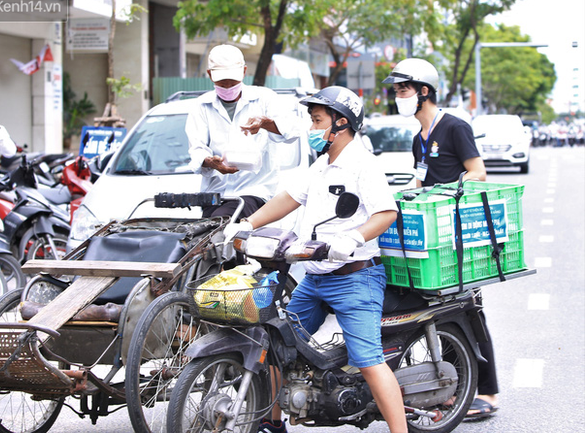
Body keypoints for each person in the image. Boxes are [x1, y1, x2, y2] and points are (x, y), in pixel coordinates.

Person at [226, 86, 408, 433]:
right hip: (315, 276)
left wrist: (352, 237)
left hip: (355, 277)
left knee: (368, 361)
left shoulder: (362, 164)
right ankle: (271, 423)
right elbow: (288, 198)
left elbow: (386, 213)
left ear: (341, 123)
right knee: (277, 346)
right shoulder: (322, 164)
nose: (311, 128)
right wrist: (247, 223)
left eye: (317, 121)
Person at [383, 58, 498, 419]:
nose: (398, 96)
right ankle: (452, 389)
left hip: (455, 235)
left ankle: (490, 393)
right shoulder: (420, 137)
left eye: (403, 90)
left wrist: (443, 193)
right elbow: (420, 179)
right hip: (431, 238)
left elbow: (477, 173)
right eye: (397, 91)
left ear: (424, 91)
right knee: (441, 314)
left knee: (470, 314)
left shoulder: (454, 127)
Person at [186, 44, 300, 219]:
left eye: (233, 82)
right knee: (205, 235)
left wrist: (265, 123)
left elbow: (291, 132)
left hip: (254, 191)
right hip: (216, 193)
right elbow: (197, 149)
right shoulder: (201, 106)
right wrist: (211, 162)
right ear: (209, 75)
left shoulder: (265, 98)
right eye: (222, 83)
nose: (228, 86)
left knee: (222, 225)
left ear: (244, 72)